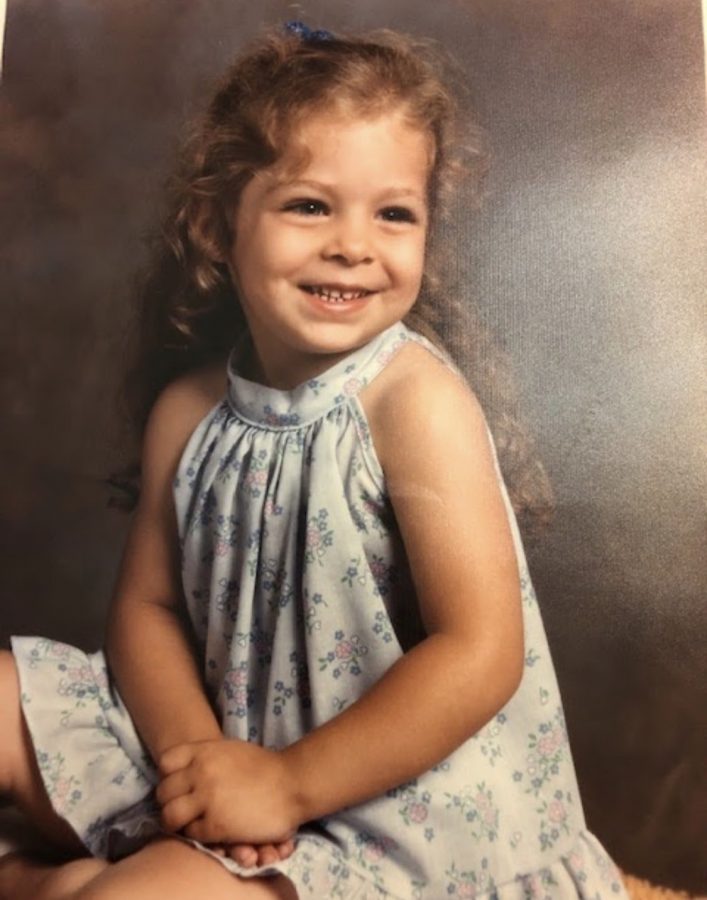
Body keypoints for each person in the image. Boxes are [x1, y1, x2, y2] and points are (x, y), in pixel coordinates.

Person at [0, 22, 629, 900]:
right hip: (228, 754)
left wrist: (287, 786)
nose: (352, 244)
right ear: (219, 226)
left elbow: (480, 651)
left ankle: (50, 884)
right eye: (309, 205)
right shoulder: (187, 411)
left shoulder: (415, 403)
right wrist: (200, 770)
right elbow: (146, 611)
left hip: (390, 810)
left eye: (393, 213)